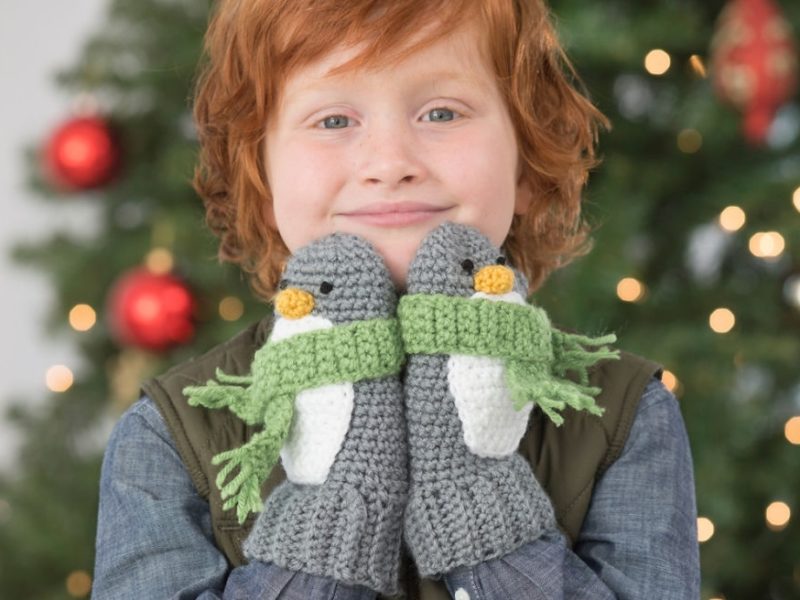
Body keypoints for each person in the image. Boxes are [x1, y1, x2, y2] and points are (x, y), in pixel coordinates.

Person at [91, 0, 701, 598]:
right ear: (262, 174)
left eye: (442, 113)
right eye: (334, 121)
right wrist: (332, 514)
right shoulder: (169, 435)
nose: (390, 163)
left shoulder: (625, 416)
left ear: (524, 159)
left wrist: (474, 493)